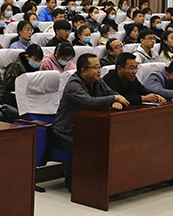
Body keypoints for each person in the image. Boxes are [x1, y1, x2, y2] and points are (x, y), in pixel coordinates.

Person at [53, 53, 128, 190]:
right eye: (95, 67)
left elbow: (114, 94)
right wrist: (113, 99)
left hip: (87, 130)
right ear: (83, 70)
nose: (99, 71)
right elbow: (90, 102)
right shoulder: (73, 85)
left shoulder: (98, 82)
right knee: (86, 150)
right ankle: (75, 184)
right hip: (65, 133)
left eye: (99, 67)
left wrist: (115, 101)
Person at [102, 53, 166, 105]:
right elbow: (118, 97)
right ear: (119, 68)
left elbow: (144, 92)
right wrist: (143, 98)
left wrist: (155, 96)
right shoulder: (108, 80)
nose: (135, 71)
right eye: (131, 68)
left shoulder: (132, 79)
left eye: (136, 68)